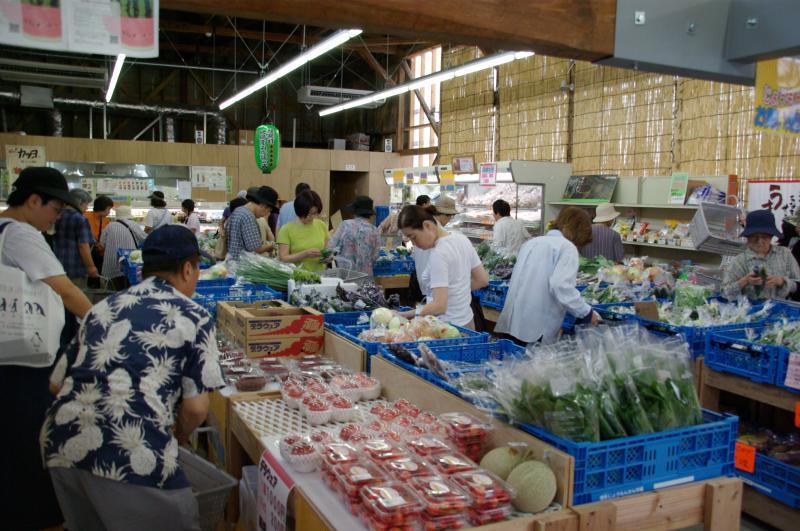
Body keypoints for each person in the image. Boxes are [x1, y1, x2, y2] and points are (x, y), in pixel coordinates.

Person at [42, 225, 225, 531]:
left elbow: (56, 383)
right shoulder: (194, 315)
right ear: (188, 268)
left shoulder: (102, 308)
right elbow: (196, 409)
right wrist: (176, 435)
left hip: (62, 443)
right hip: (132, 449)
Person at [0, 167, 92, 531]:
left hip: (9, 354)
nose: (56, 218)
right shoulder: (21, 234)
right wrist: (108, 322)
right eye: (55, 208)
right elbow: (65, 290)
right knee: (31, 438)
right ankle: (39, 517)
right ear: (33, 200)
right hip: (24, 361)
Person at [495, 207, 600, 345]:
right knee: (532, 363)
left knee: (515, 362)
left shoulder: (532, 243)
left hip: (514, 321)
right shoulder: (566, 248)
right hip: (537, 327)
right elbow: (560, 286)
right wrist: (586, 312)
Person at [395, 205, 488, 328]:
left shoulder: (438, 253)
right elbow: (482, 280)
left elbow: (439, 306)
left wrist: (404, 314)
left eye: (414, 237)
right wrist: (456, 291)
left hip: (445, 330)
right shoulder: (462, 239)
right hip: (468, 323)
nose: (414, 244)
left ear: (427, 225)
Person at [722, 209, 800, 300]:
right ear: (747, 237)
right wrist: (745, 281)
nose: (759, 241)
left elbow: (798, 285)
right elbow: (724, 292)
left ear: (771, 236)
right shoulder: (740, 261)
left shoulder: (784, 254)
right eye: (754, 237)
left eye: (764, 237)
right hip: (750, 310)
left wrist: (781, 281)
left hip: (781, 310)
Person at [53, 188, 99, 287]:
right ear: (80, 203)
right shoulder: (80, 219)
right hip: (75, 268)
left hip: (55, 266)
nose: (86, 208)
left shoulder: (56, 215)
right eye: (86, 204)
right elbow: (83, 245)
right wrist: (91, 267)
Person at [328, 195, 381, 275]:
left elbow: (331, 246)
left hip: (345, 275)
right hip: (365, 277)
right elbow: (375, 256)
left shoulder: (345, 225)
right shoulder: (375, 230)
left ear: (355, 211)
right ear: (369, 214)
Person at [278, 190, 329, 272]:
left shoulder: (321, 225)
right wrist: (305, 254)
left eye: (315, 213)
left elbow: (326, 250)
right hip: (298, 277)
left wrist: (328, 257)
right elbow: (283, 258)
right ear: (299, 212)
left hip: (321, 275)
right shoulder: (286, 229)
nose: (312, 217)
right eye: (309, 214)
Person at [100, 205, 147, 291]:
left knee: (113, 288)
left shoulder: (109, 226)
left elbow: (102, 243)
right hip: (131, 259)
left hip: (112, 261)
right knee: (132, 285)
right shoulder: (134, 224)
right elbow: (144, 238)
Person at [226, 186, 278, 260]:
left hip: (232, 261)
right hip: (242, 265)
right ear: (263, 205)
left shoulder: (238, 210)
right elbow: (255, 249)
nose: (266, 214)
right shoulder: (248, 217)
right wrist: (270, 246)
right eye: (269, 211)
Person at [87, 195, 115, 289]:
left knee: (98, 272)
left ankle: (96, 287)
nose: (109, 212)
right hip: (87, 250)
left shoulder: (105, 220)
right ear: (102, 208)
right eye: (108, 209)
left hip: (99, 252)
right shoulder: (86, 217)